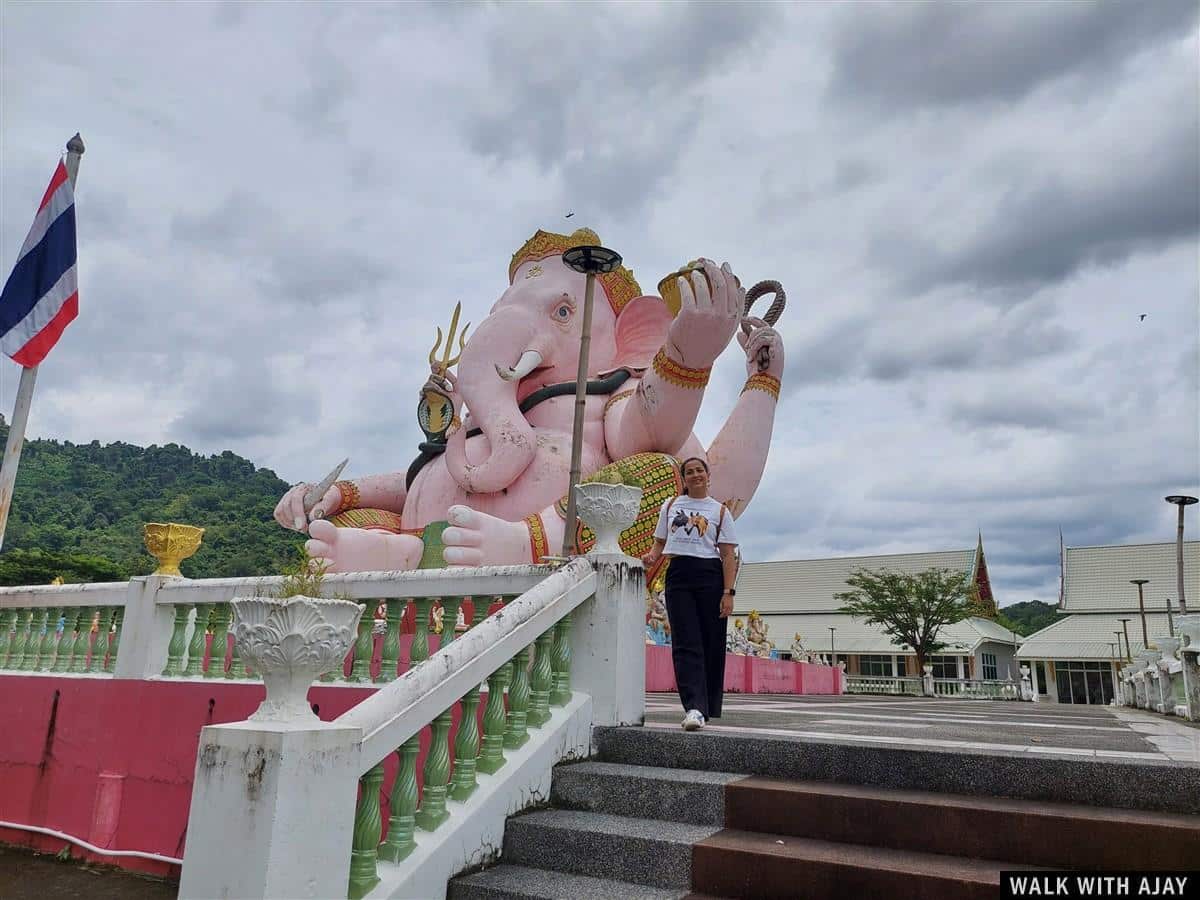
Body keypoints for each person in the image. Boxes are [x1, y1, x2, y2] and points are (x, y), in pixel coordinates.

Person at [641, 457, 739, 731]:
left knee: (711, 641)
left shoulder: (719, 511)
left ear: (708, 476)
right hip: (679, 573)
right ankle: (693, 707)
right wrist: (651, 556)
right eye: (689, 472)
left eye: (699, 471)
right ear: (684, 478)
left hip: (710, 574)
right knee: (685, 642)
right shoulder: (672, 506)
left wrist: (728, 592)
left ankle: (707, 705)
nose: (695, 475)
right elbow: (660, 541)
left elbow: (728, 555)